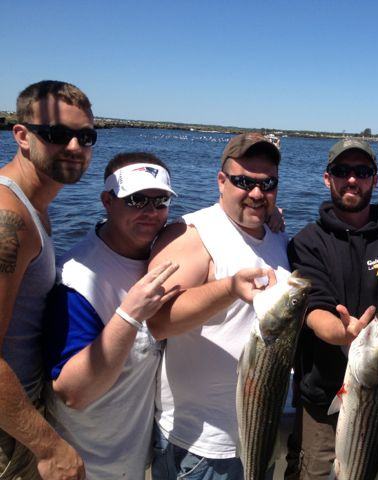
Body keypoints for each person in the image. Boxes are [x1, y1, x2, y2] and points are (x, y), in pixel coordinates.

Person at [287, 138, 378, 479]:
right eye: (342, 171)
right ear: (328, 178)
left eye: (362, 171)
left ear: (375, 179)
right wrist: (345, 333)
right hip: (322, 400)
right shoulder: (306, 241)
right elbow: (314, 310)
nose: (352, 179)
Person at [147, 132, 289, 479]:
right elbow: (157, 321)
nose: (257, 193)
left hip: (258, 437)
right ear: (221, 181)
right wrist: (228, 289)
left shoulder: (276, 236)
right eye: (244, 182)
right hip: (201, 450)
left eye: (267, 184)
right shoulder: (192, 233)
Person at [42, 153, 180, 478]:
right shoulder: (77, 280)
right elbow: (72, 393)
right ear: (107, 200)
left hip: (134, 459)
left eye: (160, 201)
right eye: (136, 200)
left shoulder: (164, 252)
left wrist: (269, 218)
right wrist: (130, 315)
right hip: (87, 465)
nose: (150, 212)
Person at [0, 80, 94, 480]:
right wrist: (49, 445)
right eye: (57, 135)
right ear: (21, 135)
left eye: (85, 136)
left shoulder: (34, 209)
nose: (74, 147)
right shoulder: (10, 219)